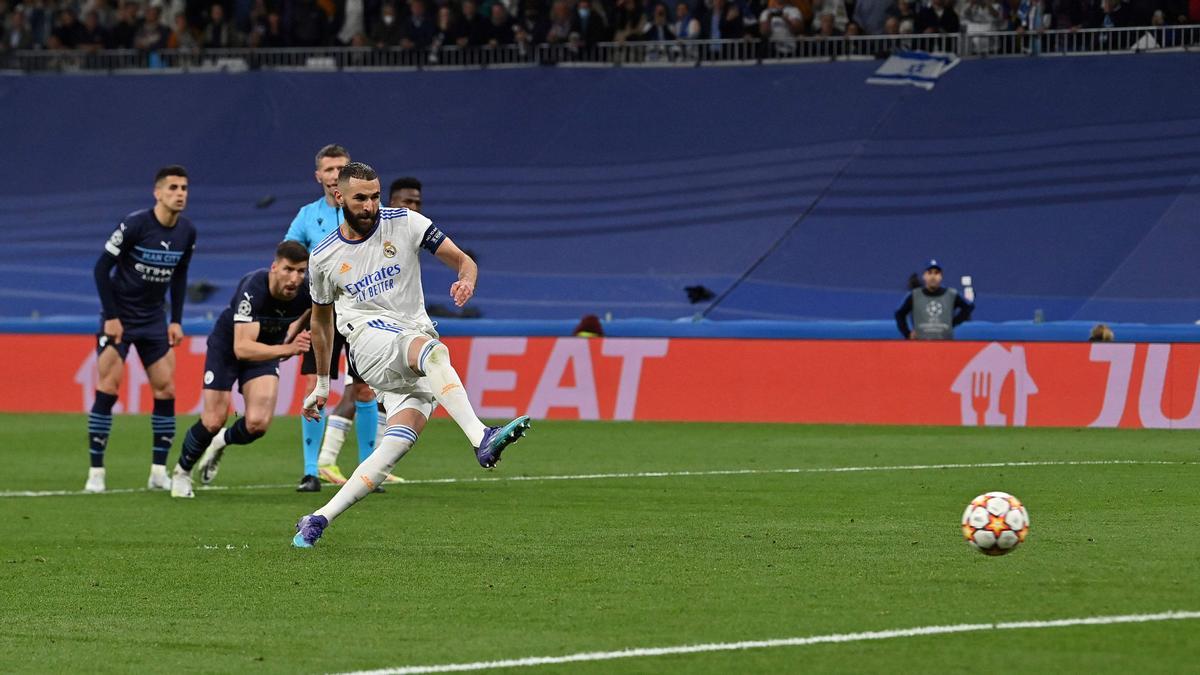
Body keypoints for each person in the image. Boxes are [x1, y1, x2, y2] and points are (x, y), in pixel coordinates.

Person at [292, 162, 531, 548]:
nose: (370, 206)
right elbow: (320, 323)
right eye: (360, 198)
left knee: (397, 443)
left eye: (374, 196)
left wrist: (466, 280)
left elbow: (463, 260)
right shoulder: (323, 257)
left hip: (409, 339)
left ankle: (317, 519)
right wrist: (321, 383)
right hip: (368, 344)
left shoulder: (407, 222)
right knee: (434, 353)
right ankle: (480, 437)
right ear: (339, 197)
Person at [284, 144, 392, 492]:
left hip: (361, 315)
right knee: (316, 385)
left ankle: (368, 471)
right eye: (328, 169)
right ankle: (311, 470)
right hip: (324, 315)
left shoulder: (366, 211)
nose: (334, 175)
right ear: (319, 176)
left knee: (364, 389)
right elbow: (290, 256)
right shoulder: (306, 216)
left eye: (340, 169)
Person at [170, 241, 313, 497]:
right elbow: (242, 348)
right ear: (274, 267)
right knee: (214, 419)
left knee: (257, 424)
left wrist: (293, 333)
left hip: (267, 349)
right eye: (288, 269)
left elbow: (313, 311)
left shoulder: (307, 292)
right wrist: (287, 349)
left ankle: (221, 442)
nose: (295, 278)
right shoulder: (254, 287)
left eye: (301, 271)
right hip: (229, 347)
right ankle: (182, 472)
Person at [86, 165, 196, 493]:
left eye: (184, 188)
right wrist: (111, 316)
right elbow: (100, 269)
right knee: (108, 387)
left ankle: (158, 472)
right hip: (120, 316)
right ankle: (96, 473)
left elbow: (179, 277)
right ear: (158, 193)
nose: (180, 194)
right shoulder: (135, 224)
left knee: (166, 390)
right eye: (173, 188)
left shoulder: (187, 232)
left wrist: (176, 319)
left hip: (153, 320)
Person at [315, 175, 425, 476]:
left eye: (417, 202)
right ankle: (327, 458)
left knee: (371, 391)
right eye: (407, 201)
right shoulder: (339, 231)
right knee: (360, 389)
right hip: (357, 325)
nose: (413, 207)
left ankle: (376, 459)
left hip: (389, 326)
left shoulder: (401, 229)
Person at [894, 259, 973, 340]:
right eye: (929, 273)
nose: (933, 276)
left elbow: (968, 307)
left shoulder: (951, 294)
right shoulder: (914, 295)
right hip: (920, 344)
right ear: (924, 276)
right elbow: (899, 314)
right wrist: (907, 333)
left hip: (946, 344)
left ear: (941, 276)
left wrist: (952, 323)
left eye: (936, 273)